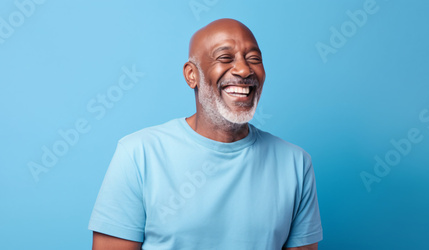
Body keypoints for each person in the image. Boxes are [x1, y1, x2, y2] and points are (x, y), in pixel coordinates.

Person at [88, 18, 323, 250]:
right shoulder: (138, 154)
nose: (243, 69)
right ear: (192, 75)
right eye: (225, 58)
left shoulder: (296, 164)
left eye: (254, 59)